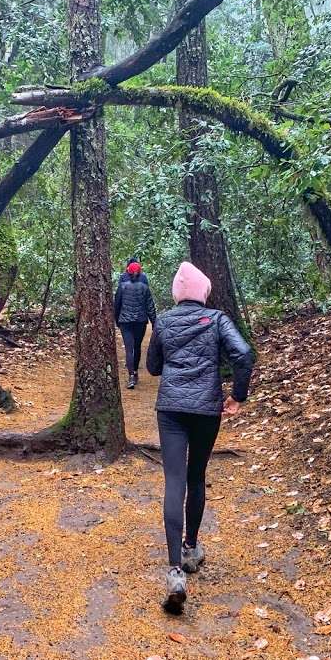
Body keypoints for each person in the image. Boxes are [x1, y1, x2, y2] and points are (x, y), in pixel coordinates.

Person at [146, 261, 254, 613]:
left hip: (172, 409)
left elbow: (153, 367)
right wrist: (237, 395)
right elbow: (243, 354)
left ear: (177, 293)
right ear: (203, 292)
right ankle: (192, 547)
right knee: (197, 476)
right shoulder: (218, 319)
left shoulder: (162, 321)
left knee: (173, 481)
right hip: (207, 408)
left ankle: (175, 570)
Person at [114, 261, 157, 389]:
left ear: (128, 272)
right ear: (140, 273)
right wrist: (154, 323)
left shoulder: (122, 286)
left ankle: (131, 375)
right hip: (140, 321)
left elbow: (116, 304)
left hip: (125, 322)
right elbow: (150, 307)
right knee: (137, 347)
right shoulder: (145, 287)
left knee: (129, 348)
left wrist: (117, 319)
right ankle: (135, 372)